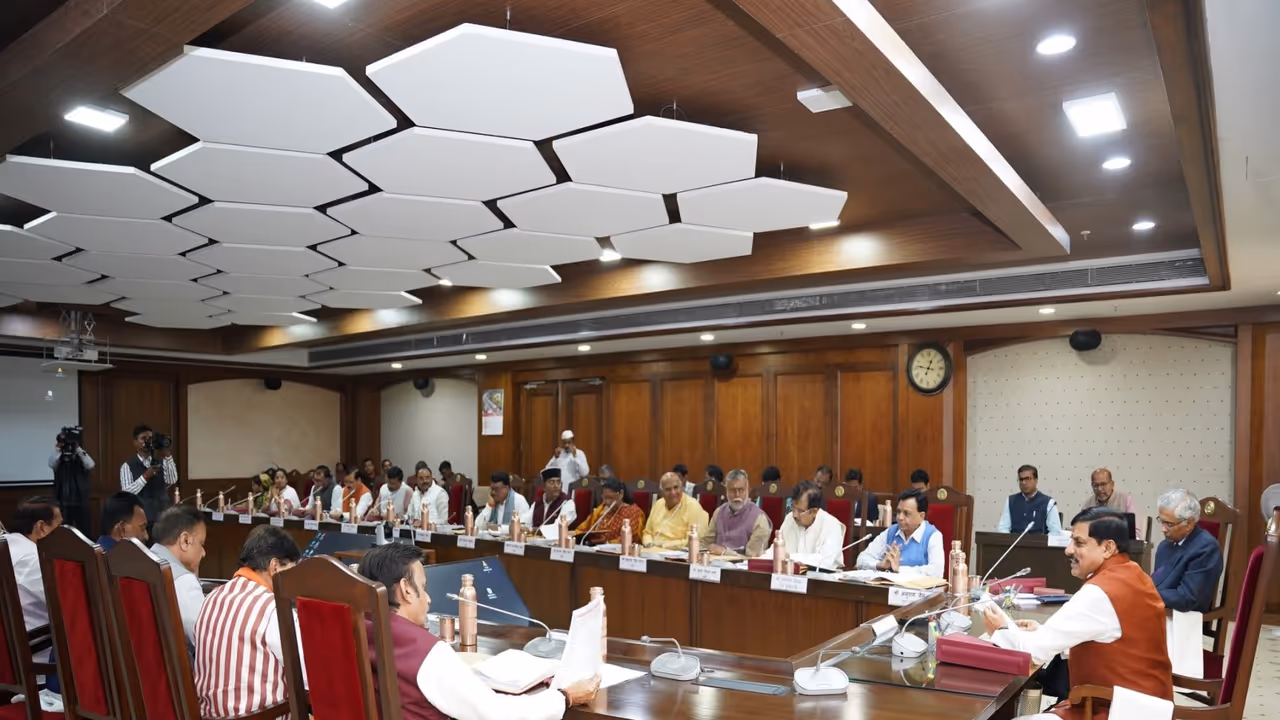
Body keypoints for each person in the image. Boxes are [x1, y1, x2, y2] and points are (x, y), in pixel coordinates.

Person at [357, 543, 598, 720]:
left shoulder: (355, 630)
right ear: (406, 590)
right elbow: (496, 713)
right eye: (423, 587)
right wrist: (565, 697)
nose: (428, 599)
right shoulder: (424, 651)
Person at [984, 508, 1173, 719]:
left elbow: (1033, 653)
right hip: (1148, 707)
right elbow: (1108, 635)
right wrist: (1044, 631)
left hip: (1117, 710)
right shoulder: (1133, 571)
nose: (1068, 550)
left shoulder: (1099, 592)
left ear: (1108, 547)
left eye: (1079, 543)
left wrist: (1001, 629)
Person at [194, 525, 302, 718]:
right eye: (292, 572)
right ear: (275, 566)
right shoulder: (274, 609)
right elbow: (306, 677)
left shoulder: (211, 597)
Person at [1151, 489, 1223, 613]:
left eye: (1169, 524)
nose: (1163, 529)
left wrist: (1146, 593)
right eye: (1161, 521)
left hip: (1184, 618)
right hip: (1159, 609)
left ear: (1189, 524)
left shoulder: (1206, 548)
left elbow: (1187, 598)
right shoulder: (1165, 546)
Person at [150, 505, 207, 651]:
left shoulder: (138, 562)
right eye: (201, 544)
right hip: (177, 671)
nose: (203, 553)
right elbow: (206, 642)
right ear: (185, 540)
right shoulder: (183, 581)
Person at [856, 489, 944, 576]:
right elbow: (861, 559)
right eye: (898, 512)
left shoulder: (933, 535)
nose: (900, 517)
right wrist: (880, 565)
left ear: (921, 516)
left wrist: (899, 569)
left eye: (906, 513)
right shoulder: (891, 532)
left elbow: (937, 571)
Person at [6, 497, 61, 633]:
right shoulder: (34, 559)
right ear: (41, 527)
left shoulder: (6, 544)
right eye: (59, 527)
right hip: (38, 648)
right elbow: (64, 604)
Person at [769, 481, 845, 569]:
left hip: (821, 580)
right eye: (793, 508)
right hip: (789, 577)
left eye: (800, 511)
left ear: (814, 512)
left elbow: (825, 561)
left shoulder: (832, 525)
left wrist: (790, 557)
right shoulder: (790, 519)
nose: (794, 515)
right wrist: (753, 561)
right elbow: (774, 551)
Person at [702, 469, 770, 557]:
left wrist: (725, 553)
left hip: (741, 569)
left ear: (748, 490)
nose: (737, 495)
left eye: (741, 490)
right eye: (732, 490)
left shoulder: (759, 519)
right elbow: (706, 543)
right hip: (714, 566)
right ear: (726, 491)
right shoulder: (719, 512)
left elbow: (753, 559)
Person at [119, 424, 178, 524]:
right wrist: (146, 476)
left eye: (150, 438)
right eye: (143, 438)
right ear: (135, 442)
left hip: (163, 516)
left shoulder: (162, 461)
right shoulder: (127, 466)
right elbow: (127, 493)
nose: (147, 441)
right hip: (141, 518)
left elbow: (172, 480)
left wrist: (167, 455)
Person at [642, 472, 710, 550]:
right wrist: (649, 544)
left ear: (682, 488)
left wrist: (663, 545)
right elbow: (647, 533)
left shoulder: (693, 506)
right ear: (661, 493)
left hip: (678, 555)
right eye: (668, 489)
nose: (673, 492)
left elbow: (692, 540)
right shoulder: (658, 504)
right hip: (652, 551)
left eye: (676, 487)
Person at [575, 478, 646, 546]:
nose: (607, 502)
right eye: (605, 498)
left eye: (611, 498)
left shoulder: (633, 511)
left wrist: (607, 543)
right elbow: (584, 529)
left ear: (621, 494)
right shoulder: (602, 509)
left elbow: (631, 536)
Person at [997, 464, 1063, 535]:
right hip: (1014, 543)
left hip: (1038, 544)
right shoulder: (1011, 500)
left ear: (1036, 480)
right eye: (1021, 479)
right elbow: (1003, 528)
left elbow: (1055, 532)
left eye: (1027, 479)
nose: (1024, 483)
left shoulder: (1049, 502)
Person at [49, 429, 94, 531]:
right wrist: (58, 449)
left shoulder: (80, 454)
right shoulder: (58, 456)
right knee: (63, 529)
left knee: (85, 529)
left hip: (80, 499)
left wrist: (77, 448)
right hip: (63, 500)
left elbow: (90, 465)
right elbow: (51, 464)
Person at [1082, 468, 1139, 538]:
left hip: (1120, 545)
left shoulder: (1126, 500)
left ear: (1112, 484)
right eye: (1095, 485)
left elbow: (1135, 533)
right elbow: (1081, 530)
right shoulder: (1087, 505)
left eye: (1103, 484)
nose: (1099, 489)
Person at [412, 461, 449, 527]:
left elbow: (444, 520)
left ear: (432, 478)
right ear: (416, 480)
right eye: (421, 478)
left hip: (435, 533)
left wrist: (424, 522)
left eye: (427, 477)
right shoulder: (415, 494)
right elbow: (410, 515)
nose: (424, 481)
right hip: (414, 532)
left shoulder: (440, 493)